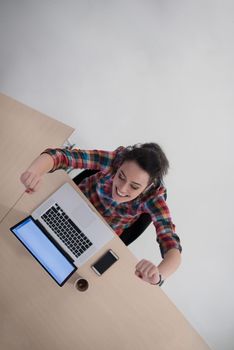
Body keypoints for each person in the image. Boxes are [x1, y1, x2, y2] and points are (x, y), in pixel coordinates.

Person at [20, 142, 182, 286]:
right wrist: (34, 172)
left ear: (147, 187)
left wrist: (158, 276)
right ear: (119, 165)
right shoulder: (114, 160)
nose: (122, 189)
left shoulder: (153, 199)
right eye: (121, 176)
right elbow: (62, 156)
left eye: (134, 186)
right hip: (68, 205)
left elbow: (172, 247)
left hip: (96, 234)